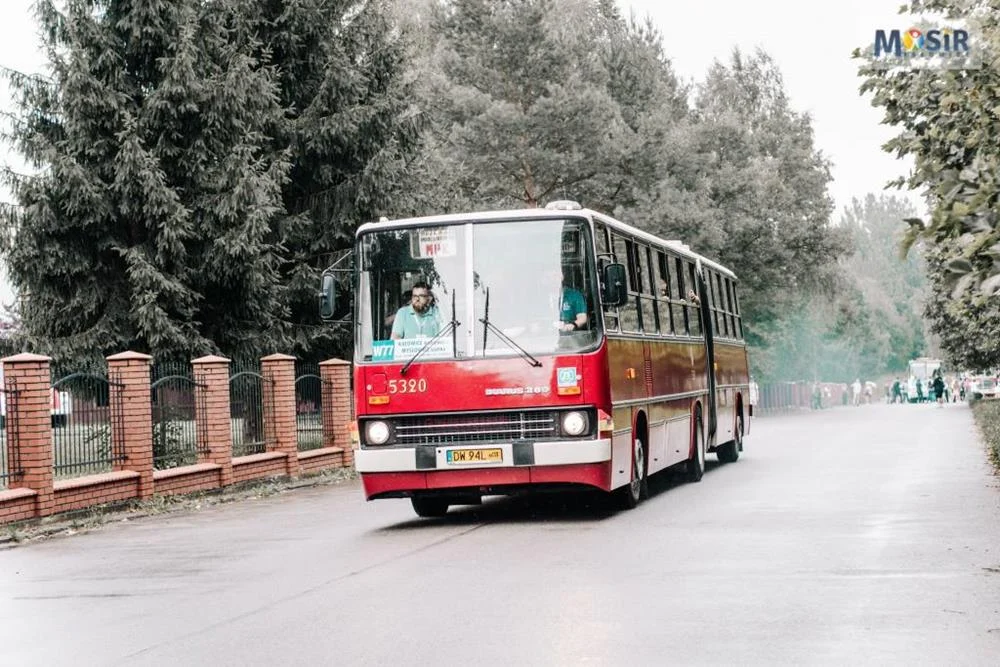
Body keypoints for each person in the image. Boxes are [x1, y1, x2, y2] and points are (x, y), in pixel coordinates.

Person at [547, 268, 588, 332]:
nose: (553, 279)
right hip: (544, 336)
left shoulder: (575, 295)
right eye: (549, 276)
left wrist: (572, 325)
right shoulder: (540, 298)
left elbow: (582, 318)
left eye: (555, 275)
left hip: (569, 336)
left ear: (562, 276)